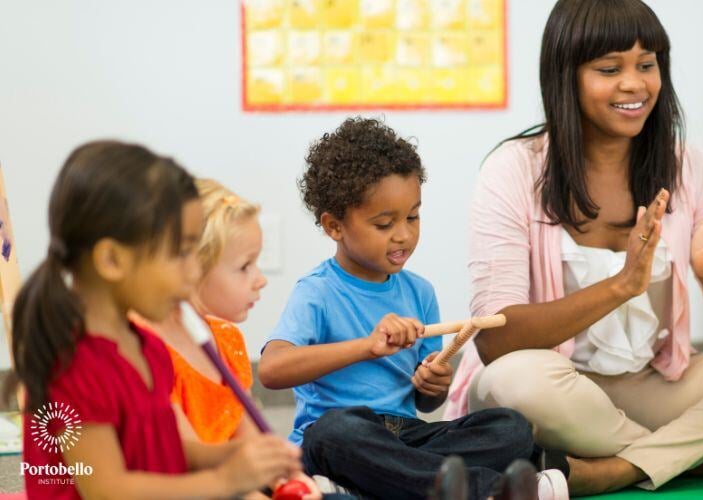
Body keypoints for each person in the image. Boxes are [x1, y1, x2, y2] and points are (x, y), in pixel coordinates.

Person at [444, 0, 703, 495]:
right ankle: (701, 457)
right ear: (564, 76)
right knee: (514, 381)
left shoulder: (689, 167)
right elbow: (495, 341)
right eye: (609, 69)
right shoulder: (514, 170)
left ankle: (614, 469)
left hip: (649, 387)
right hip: (553, 389)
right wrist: (620, 286)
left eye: (647, 65)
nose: (634, 84)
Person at [258, 118, 568, 500]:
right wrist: (366, 346)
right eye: (384, 223)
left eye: (412, 217)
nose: (403, 234)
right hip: (341, 437)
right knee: (333, 433)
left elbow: (426, 402)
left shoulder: (420, 292)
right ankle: (485, 490)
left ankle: (378, 484)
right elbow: (272, 370)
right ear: (334, 226)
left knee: (511, 429)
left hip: (405, 437)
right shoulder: (317, 291)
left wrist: (432, 385)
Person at [9, 141, 302, 499]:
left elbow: (170, 451)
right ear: (113, 260)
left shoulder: (147, 348)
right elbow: (107, 489)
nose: (195, 270)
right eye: (181, 254)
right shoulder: (73, 365)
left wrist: (238, 455)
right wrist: (225, 481)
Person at [137, 179, 321, 498]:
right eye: (244, 267)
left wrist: (285, 479)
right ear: (191, 270)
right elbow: (186, 463)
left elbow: (247, 437)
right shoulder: (148, 351)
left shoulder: (226, 340)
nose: (260, 280)